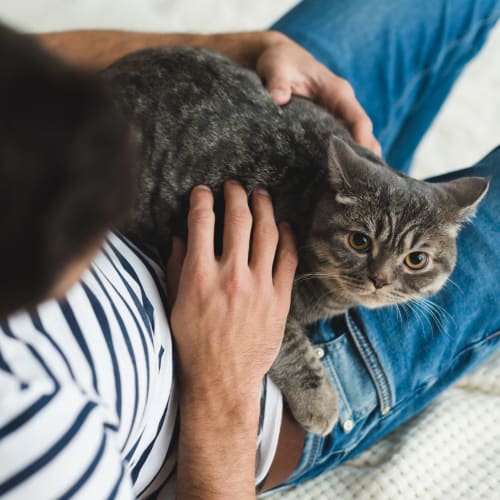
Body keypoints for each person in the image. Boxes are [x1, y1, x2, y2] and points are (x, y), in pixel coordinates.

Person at [0, 0, 499, 498]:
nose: (382, 278)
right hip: (252, 376)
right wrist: (226, 377)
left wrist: (241, 47)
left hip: (246, 119)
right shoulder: (33, 437)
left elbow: (29, 62)